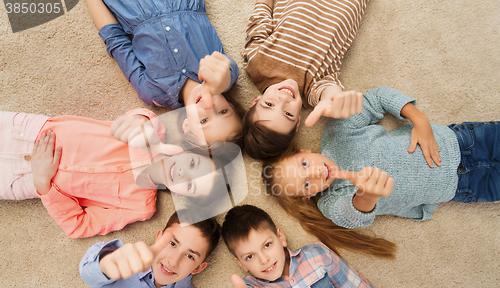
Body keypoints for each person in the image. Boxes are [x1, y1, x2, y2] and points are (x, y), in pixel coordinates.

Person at [262, 86, 500, 230]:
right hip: (464, 187)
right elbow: (352, 217)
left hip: (460, 140)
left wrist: (419, 119)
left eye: (304, 165)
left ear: (304, 152)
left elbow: (377, 98)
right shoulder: (331, 203)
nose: (315, 173)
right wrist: (367, 196)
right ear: (308, 195)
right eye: (306, 183)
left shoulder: (338, 133)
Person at [0, 109, 234, 238]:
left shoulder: (140, 207)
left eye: (190, 185)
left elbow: (79, 226)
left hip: (19, 180)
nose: (183, 173)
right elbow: (139, 118)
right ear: (187, 150)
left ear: (183, 196)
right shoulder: (151, 131)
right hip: (27, 133)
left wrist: (44, 185)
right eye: (193, 163)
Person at [221, 205, 411, 288]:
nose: (263, 259)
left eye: (267, 245)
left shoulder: (316, 255)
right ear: (241, 264)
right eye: (250, 257)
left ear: (281, 237)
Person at [85, 0, 244, 144]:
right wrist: (221, 83)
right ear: (231, 105)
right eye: (223, 111)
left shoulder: (154, 93)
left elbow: (116, 41)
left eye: (204, 121)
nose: (209, 107)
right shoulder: (222, 75)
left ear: (187, 126)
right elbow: (226, 73)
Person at [241, 0, 367, 160]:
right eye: (287, 113)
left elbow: (261, 13)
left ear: (256, 101)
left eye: (269, 104)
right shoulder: (312, 92)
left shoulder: (257, 64)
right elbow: (329, 91)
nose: (283, 99)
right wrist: (332, 101)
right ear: (298, 122)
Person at [66, 210, 221, 288]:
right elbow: (88, 272)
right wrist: (106, 265)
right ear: (159, 237)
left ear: (198, 267)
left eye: (189, 256)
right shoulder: (122, 259)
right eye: (172, 243)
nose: (173, 261)